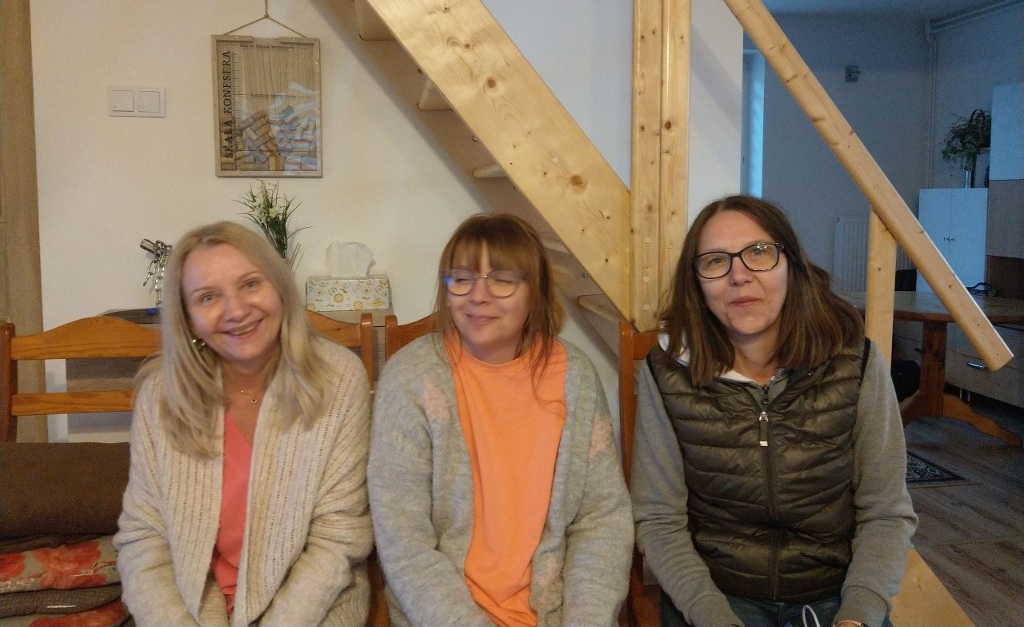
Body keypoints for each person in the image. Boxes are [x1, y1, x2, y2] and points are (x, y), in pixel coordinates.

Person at [631, 195, 917, 627]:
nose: (739, 275)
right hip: (716, 597)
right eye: (715, 261)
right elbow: (659, 520)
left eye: (759, 252)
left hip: (835, 594)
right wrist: (713, 615)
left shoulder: (856, 362)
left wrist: (858, 614)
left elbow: (886, 511)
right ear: (697, 283)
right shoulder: (667, 371)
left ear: (791, 265)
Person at [367, 213, 633, 627]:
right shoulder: (411, 379)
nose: (478, 295)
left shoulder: (575, 377)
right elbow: (404, 544)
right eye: (462, 279)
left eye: (502, 279)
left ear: (535, 292)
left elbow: (601, 520)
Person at [114, 221, 373, 627]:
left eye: (250, 284)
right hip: (195, 610)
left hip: (313, 609)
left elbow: (338, 537)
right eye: (208, 297)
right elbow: (144, 537)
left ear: (279, 288)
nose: (236, 311)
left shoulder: (339, 378)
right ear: (188, 318)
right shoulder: (161, 396)